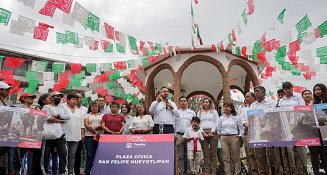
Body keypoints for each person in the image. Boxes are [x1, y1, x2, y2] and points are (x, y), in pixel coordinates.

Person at [251, 86, 283, 175]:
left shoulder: (271, 102)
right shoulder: (253, 105)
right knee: (259, 154)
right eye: (255, 91)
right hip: (258, 132)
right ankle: (262, 172)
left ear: (263, 92)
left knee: (274, 154)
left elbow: (275, 115)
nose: (256, 93)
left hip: (271, 131)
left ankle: (278, 172)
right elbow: (251, 118)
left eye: (257, 91)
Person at [278, 82, 307, 175]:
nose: (287, 90)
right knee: (289, 150)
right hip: (286, 127)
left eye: (289, 88)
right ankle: (293, 172)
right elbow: (279, 112)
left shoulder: (298, 98)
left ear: (292, 88)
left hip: (297, 125)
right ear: (284, 90)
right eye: (285, 88)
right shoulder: (281, 100)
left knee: (300, 148)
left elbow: (303, 110)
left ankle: (303, 170)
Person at [41, 91, 70, 175]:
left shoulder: (63, 107)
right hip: (48, 135)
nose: (58, 98)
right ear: (51, 98)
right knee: (45, 154)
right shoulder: (46, 107)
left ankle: (62, 172)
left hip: (60, 134)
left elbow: (67, 116)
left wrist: (57, 115)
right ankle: (44, 171)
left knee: (63, 153)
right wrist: (60, 120)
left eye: (60, 96)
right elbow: (48, 118)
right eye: (56, 96)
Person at [217, 101, 243, 175]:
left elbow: (241, 128)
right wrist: (220, 135)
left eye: (227, 106)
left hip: (234, 137)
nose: (225, 108)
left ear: (231, 108)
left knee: (236, 157)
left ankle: (237, 173)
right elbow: (218, 128)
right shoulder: (221, 118)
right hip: (224, 138)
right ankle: (228, 173)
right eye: (224, 106)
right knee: (226, 157)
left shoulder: (236, 117)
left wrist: (240, 135)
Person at [63, 94, 85, 175]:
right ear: (68, 100)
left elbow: (82, 123)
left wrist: (82, 133)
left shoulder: (78, 110)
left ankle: (70, 172)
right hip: (65, 135)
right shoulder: (63, 108)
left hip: (76, 135)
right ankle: (64, 171)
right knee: (65, 154)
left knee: (72, 155)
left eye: (76, 99)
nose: (75, 101)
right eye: (73, 99)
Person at [38, 93, 58, 175]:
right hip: (45, 135)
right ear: (44, 100)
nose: (51, 99)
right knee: (45, 155)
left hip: (55, 135)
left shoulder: (55, 108)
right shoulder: (40, 109)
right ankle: (44, 171)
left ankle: (55, 172)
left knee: (55, 154)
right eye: (49, 98)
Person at [197, 97, 219, 175]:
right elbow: (197, 123)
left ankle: (213, 172)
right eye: (204, 102)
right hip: (203, 133)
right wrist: (202, 132)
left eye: (207, 102)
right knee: (206, 154)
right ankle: (206, 172)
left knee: (213, 153)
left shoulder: (214, 112)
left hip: (213, 133)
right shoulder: (199, 112)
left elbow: (217, 122)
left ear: (210, 103)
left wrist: (212, 131)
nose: (205, 103)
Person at [175, 96, 196, 175]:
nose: (183, 102)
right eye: (181, 101)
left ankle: (190, 172)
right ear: (179, 103)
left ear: (187, 102)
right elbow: (174, 124)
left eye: (184, 101)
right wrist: (174, 135)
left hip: (189, 136)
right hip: (179, 136)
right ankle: (180, 172)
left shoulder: (192, 112)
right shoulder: (176, 112)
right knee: (179, 156)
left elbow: (195, 124)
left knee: (189, 156)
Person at [311, 83, 327, 174]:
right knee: (321, 153)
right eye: (315, 90)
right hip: (318, 130)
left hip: (326, 128)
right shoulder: (314, 103)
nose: (317, 91)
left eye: (319, 89)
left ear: (323, 90)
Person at [240, 92, 258, 175]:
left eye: (248, 96)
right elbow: (242, 120)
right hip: (247, 132)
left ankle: (261, 170)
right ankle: (251, 171)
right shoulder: (244, 109)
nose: (246, 98)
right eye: (245, 97)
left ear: (253, 97)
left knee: (258, 153)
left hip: (258, 132)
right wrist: (245, 123)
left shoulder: (258, 106)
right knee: (249, 153)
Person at [84, 101, 103, 175]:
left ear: (98, 107)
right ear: (90, 108)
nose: (94, 108)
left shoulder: (102, 115)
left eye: (96, 106)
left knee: (97, 154)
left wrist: (97, 128)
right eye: (92, 106)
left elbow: (103, 125)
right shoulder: (87, 115)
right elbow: (86, 125)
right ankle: (88, 172)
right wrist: (95, 131)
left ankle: (97, 171)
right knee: (89, 155)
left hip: (100, 137)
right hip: (89, 137)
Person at [74, 93, 88, 175]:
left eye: (79, 97)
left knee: (86, 153)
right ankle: (76, 171)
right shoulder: (71, 109)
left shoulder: (85, 109)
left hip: (87, 133)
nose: (78, 99)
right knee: (76, 153)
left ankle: (86, 170)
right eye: (76, 97)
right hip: (75, 133)